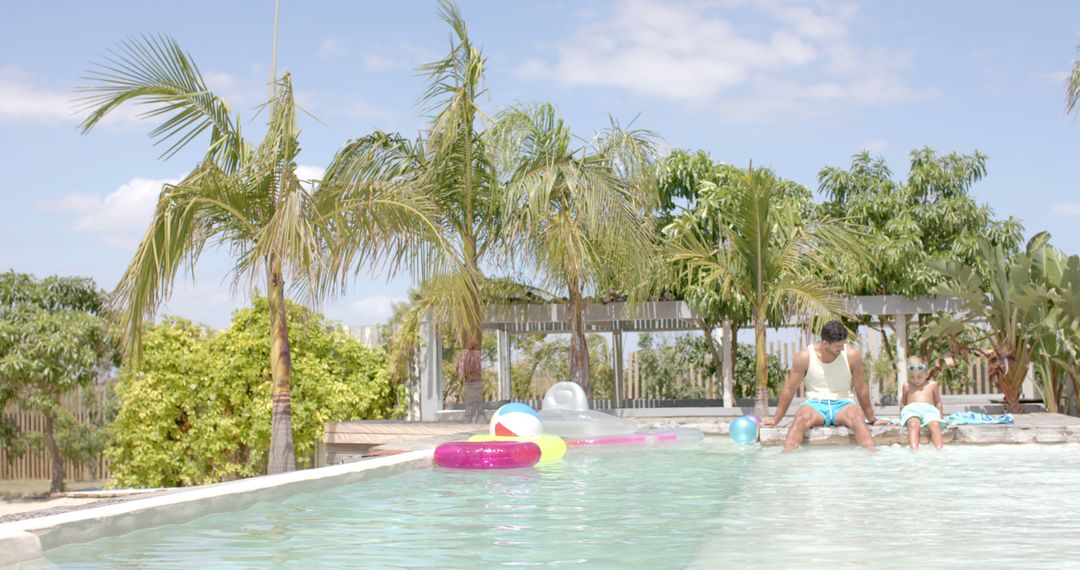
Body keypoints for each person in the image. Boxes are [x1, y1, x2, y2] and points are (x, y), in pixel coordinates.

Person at [762, 320, 885, 451]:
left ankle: (872, 463)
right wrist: (776, 419)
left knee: (858, 419)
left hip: (844, 404)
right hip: (815, 405)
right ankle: (786, 462)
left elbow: (861, 388)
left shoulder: (852, 356)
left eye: (843, 345)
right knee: (800, 419)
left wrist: (872, 418)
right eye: (838, 347)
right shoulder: (804, 357)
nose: (842, 349)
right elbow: (790, 389)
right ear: (825, 343)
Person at [899, 355, 945, 450]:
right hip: (912, 410)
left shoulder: (932, 385)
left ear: (927, 374)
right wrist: (901, 418)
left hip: (928, 410)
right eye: (912, 377)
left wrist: (941, 417)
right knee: (913, 424)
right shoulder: (907, 386)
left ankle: (940, 450)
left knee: (935, 424)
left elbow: (938, 402)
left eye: (919, 377)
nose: (915, 380)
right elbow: (903, 403)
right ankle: (914, 450)